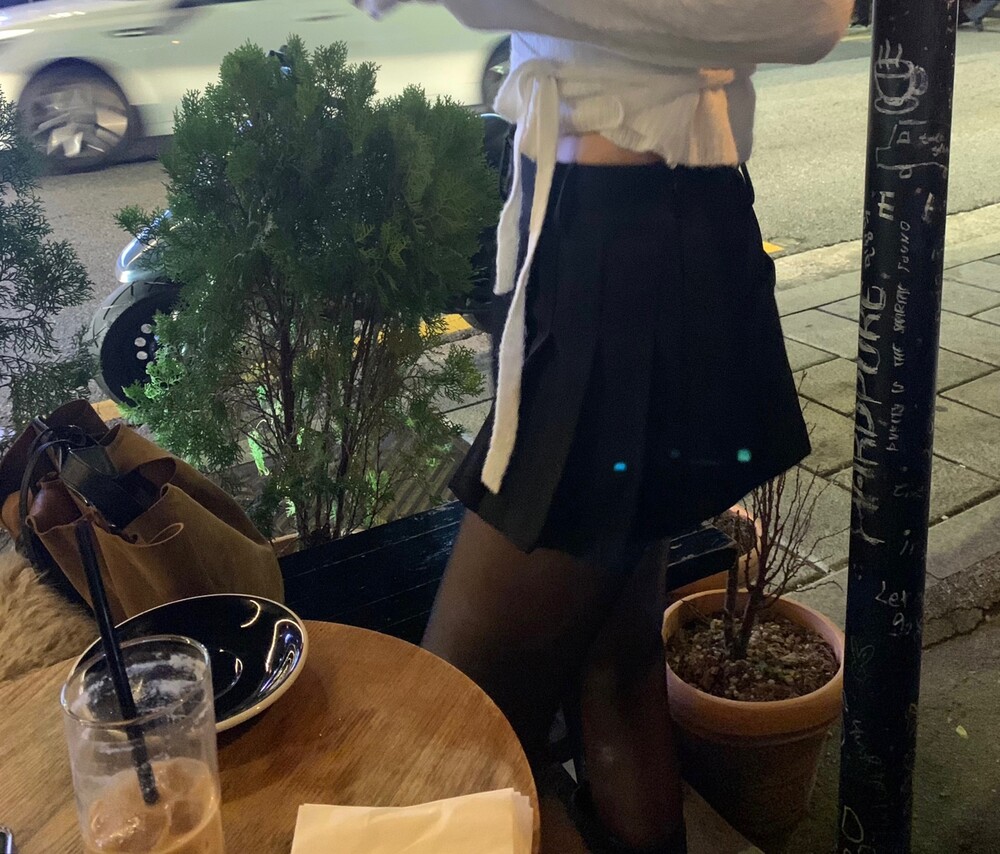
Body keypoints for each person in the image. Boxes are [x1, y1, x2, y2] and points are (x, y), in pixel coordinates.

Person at [361, 1, 852, 851]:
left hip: (630, 260)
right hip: (605, 238)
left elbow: (810, 15)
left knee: (456, 730)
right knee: (616, 667)